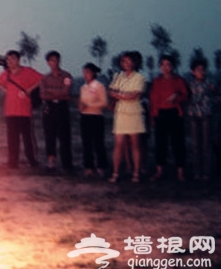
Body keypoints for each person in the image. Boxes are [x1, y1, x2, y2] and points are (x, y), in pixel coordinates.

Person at [0, 50, 42, 168]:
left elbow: (41, 79)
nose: (10, 62)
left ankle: (32, 160)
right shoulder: (6, 74)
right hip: (10, 111)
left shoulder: (27, 72)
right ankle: (12, 162)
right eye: (8, 59)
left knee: (27, 138)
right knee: (12, 138)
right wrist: (6, 91)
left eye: (12, 59)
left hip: (24, 111)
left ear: (18, 60)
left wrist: (29, 89)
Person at [108, 51, 146, 183]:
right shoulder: (118, 76)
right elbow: (111, 91)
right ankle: (115, 173)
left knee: (135, 145)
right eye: (124, 61)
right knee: (118, 144)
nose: (126, 64)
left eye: (129, 61)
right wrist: (124, 96)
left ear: (135, 62)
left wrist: (120, 95)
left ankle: (136, 173)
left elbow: (134, 96)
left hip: (134, 113)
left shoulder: (139, 77)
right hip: (121, 113)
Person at [149, 55, 189, 181]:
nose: (166, 68)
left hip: (175, 113)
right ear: (160, 67)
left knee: (178, 143)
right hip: (161, 114)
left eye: (168, 65)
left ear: (172, 66)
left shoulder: (179, 80)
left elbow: (186, 96)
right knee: (160, 143)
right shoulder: (157, 81)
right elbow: (153, 100)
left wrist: (176, 96)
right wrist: (153, 116)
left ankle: (180, 171)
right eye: (163, 65)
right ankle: (160, 170)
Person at [40, 51, 73, 171]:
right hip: (49, 107)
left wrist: (51, 91)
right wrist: (57, 91)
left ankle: (67, 163)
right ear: (48, 62)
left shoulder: (66, 76)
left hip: (62, 107)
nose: (55, 62)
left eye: (57, 60)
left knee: (64, 136)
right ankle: (51, 160)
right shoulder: (45, 78)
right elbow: (43, 94)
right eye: (52, 60)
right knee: (49, 135)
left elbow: (66, 92)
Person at [187, 58, 216, 181]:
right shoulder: (190, 84)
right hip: (194, 116)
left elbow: (216, 96)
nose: (201, 72)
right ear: (193, 72)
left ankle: (206, 172)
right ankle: (197, 171)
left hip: (206, 115)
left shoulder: (210, 84)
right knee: (195, 144)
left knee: (206, 144)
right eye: (198, 70)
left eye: (203, 70)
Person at [78, 63, 108, 177]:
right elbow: (81, 100)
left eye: (88, 72)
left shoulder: (99, 86)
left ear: (93, 73)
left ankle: (101, 166)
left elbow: (104, 102)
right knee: (87, 143)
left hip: (96, 116)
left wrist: (89, 104)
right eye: (84, 72)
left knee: (98, 142)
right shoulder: (83, 87)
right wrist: (81, 105)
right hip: (85, 117)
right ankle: (88, 166)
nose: (86, 75)